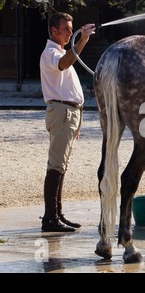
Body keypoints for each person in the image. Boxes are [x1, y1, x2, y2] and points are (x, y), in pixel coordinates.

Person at [39, 12, 95, 232]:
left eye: (71, 29)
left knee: (61, 166)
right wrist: (82, 40)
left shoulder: (61, 51)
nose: (70, 33)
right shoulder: (51, 53)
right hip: (62, 112)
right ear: (53, 30)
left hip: (69, 114)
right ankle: (50, 219)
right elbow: (63, 64)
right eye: (66, 29)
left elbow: (67, 61)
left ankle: (57, 214)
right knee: (56, 166)